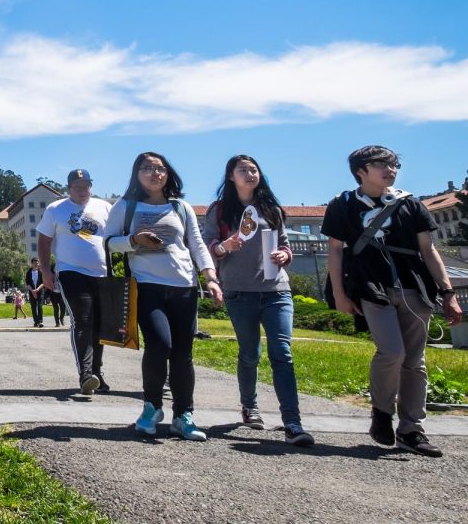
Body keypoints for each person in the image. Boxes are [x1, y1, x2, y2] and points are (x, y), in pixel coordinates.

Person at [324, 145, 463, 457]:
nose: (391, 170)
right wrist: (339, 294)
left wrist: (448, 293)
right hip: (370, 286)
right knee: (392, 352)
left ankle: (412, 429)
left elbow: (429, 251)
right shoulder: (342, 205)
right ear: (361, 170)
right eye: (381, 165)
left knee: (415, 360)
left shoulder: (410, 204)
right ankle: (382, 413)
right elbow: (335, 250)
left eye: (394, 164)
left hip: (415, 287)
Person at [104, 152, 222, 441]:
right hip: (147, 285)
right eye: (147, 168)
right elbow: (108, 243)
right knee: (159, 345)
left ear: (168, 174)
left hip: (184, 286)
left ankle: (183, 415)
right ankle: (151, 408)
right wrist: (134, 240)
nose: (154, 173)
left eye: (160, 169)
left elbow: (196, 243)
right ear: (137, 173)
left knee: (183, 354)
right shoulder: (125, 206)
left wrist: (211, 278)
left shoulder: (180, 207)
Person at [203, 155, 314, 447]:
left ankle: (292, 422)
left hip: (276, 290)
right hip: (239, 291)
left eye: (254, 170)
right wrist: (223, 247)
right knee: (250, 352)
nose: (250, 174)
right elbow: (208, 246)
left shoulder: (271, 208)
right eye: (243, 170)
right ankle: (249, 406)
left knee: (282, 353)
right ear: (231, 177)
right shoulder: (219, 210)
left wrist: (284, 256)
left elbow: (285, 245)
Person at [37, 168, 113, 395]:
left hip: (102, 274)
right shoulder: (56, 210)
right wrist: (46, 272)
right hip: (71, 272)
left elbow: (115, 237)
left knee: (99, 324)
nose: (83, 191)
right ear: (68, 188)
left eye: (86, 186)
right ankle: (85, 375)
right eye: (78, 187)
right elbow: (43, 242)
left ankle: (97, 373)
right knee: (83, 320)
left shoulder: (104, 207)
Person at [25, 258, 45, 328]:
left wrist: (37, 290)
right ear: (32, 263)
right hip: (31, 292)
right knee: (33, 307)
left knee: (39, 306)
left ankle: (40, 321)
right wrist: (33, 291)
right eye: (35, 263)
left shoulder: (41, 272)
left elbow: (43, 282)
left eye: (37, 263)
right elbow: (27, 283)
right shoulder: (28, 272)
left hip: (40, 291)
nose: (36, 264)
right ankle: (35, 322)